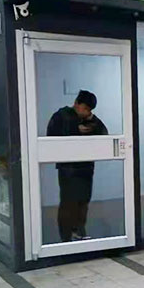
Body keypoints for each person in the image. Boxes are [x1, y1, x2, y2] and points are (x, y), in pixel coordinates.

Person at [46, 90, 108, 242]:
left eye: (89, 110)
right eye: (85, 108)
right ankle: (65, 238)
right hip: (68, 168)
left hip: (86, 167)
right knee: (68, 203)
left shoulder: (90, 120)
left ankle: (79, 232)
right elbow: (51, 137)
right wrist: (76, 129)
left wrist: (91, 118)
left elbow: (104, 134)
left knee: (83, 201)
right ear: (76, 103)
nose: (86, 112)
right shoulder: (61, 116)